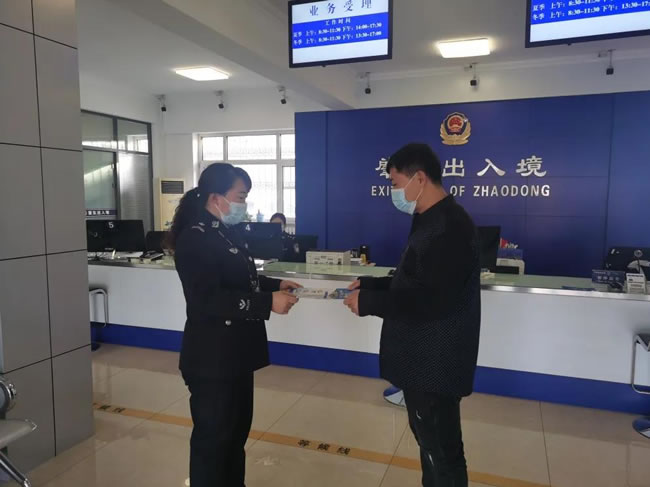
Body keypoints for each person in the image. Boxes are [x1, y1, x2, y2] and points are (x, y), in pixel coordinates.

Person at [343, 143, 481, 487]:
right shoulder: (429, 219)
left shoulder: (449, 227)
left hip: (435, 363)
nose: (393, 192)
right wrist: (372, 284)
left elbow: (432, 301)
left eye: (395, 183)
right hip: (422, 359)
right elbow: (415, 279)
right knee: (432, 446)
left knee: (441, 452)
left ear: (419, 178)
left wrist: (370, 303)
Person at [167, 163, 301, 487]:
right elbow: (208, 299)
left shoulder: (226, 232)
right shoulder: (195, 239)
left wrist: (274, 285)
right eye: (240, 196)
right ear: (216, 198)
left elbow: (240, 278)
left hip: (236, 355)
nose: (244, 203)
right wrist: (267, 303)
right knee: (213, 443)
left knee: (235, 437)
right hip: (212, 359)